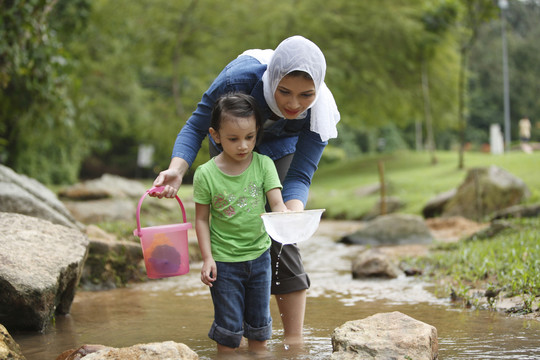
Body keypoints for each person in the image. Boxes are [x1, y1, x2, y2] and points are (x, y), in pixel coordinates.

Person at [151, 35, 340, 344]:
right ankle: (232, 332)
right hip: (233, 134)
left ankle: (294, 342)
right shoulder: (235, 82)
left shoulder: (321, 111)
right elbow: (197, 125)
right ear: (273, 80)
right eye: (284, 92)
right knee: (239, 217)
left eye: (306, 95)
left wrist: (290, 212)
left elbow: (300, 176)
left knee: (281, 233)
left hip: (283, 146)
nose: (294, 104)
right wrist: (177, 169)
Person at [193, 93, 288, 353]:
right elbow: (201, 220)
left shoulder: (264, 165)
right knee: (228, 333)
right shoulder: (205, 174)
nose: (243, 146)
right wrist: (207, 258)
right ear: (215, 135)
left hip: (259, 258)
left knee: (259, 330)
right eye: (233, 139)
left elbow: (276, 203)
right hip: (224, 263)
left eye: (250, 137)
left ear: (257, 131)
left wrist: (284, 214)